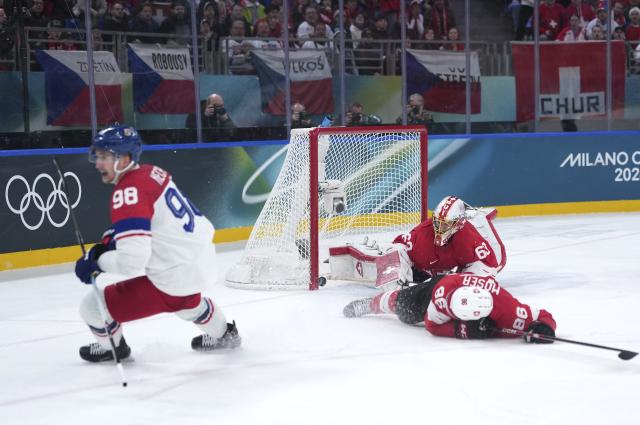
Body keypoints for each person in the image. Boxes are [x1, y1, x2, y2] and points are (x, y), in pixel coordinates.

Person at [74, 125, 241, 363]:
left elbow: (131, 262)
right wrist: (117, 236)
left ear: (124, 158)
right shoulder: (152, 173)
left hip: (173, 277)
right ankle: (225, 334)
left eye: (104, 157)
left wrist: (95, 261)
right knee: (186, 302)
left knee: (92, 307)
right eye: (98, 156)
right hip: (201, 261)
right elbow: (157, 220)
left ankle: (115, 348)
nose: (98, 163)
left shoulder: (127, 191)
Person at [328, 195, 506, 290]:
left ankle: (478, 216)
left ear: (458, 224)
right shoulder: (422, 233)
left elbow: (492, 263)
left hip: (449, 261)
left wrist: (463, 280)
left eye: (446, 225)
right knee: (396, 253)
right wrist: (394, 275)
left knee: (494, 264)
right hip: (426, 269)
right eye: (437, 222)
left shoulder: (469, 237)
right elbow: (398, 247)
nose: (439, 228)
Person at [342, 273, 557, 344]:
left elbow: (544, 315)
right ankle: (370, 303)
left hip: (465, 286)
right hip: (440, 285)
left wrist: (545, 327)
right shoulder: (440, 302)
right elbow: (432, 325)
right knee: (404, 308)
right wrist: (464, 331)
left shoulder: (508, 310)